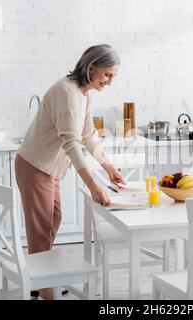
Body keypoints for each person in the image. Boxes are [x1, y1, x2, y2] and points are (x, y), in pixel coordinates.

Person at [15, 44, 126, 300]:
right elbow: (71, 143)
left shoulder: (83, 93)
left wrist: (108, 167)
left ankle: (40, 277)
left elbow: (88, 134)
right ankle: (45, 290)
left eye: (113, 77)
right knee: (41, 229)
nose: (109, 82)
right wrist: (93, 185)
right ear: (91, 68)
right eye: (107, 75)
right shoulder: (67, 92)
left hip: (48, 169)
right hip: (35, 166)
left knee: (53, 219)